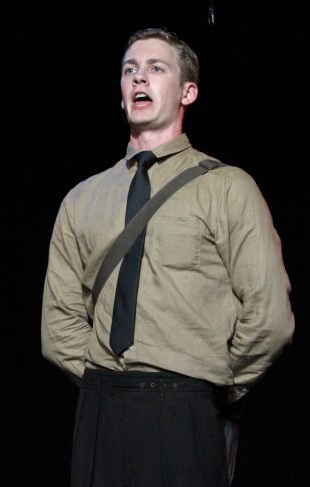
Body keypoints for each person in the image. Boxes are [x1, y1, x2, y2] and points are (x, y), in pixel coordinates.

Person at [41, 27, 294, 487]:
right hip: (101, 405)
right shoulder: (82, 198)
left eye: (156, 68)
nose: (140, 78)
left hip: (185, 405)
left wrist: (210, 383)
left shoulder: (227, 187)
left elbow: (269, 315)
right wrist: (107, 381)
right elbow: (59, 322)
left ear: (187, 92)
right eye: (130, 70)